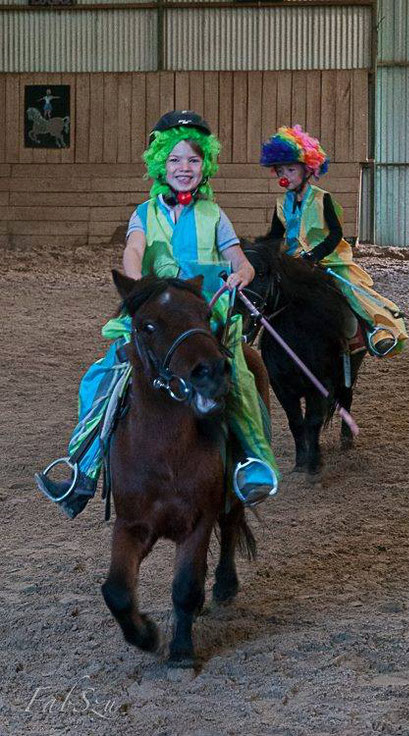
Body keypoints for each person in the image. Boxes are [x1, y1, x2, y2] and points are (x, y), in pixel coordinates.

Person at [35, 110, 279, 518]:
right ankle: (83, 469)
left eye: (194, 160)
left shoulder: (214, 215)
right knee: (104, 374)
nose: (185, 169)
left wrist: (242, 273)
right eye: (175, 160)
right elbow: (134, 248)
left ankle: (254, 464)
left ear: (206, 166)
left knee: (238, 376)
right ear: (160, 165)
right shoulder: (144, 214)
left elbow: (240, 259)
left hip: (203, 313)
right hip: (159, 312)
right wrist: (137, 284)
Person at [260, 125, 408, 357]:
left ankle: (376, 330)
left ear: (308, 169)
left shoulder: (322, 199)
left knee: (350, 288)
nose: (284, 176)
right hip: (292, 262)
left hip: (328, 260)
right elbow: (275, 236)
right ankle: (252, 333)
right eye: (280, 171)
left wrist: (315, 255)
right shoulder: (280, 203)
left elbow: (336, 234)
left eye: (290, 169)